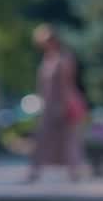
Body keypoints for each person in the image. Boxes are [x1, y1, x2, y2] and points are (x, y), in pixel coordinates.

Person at [27, 25, 88, 182]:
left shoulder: (64, 57)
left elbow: (67, 84)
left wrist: (65, 106)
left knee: (69, 139)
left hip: (63, 104)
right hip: (49, 105)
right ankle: (34, 172)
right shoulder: (48, 57)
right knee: (42, 138)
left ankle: (75, 173)